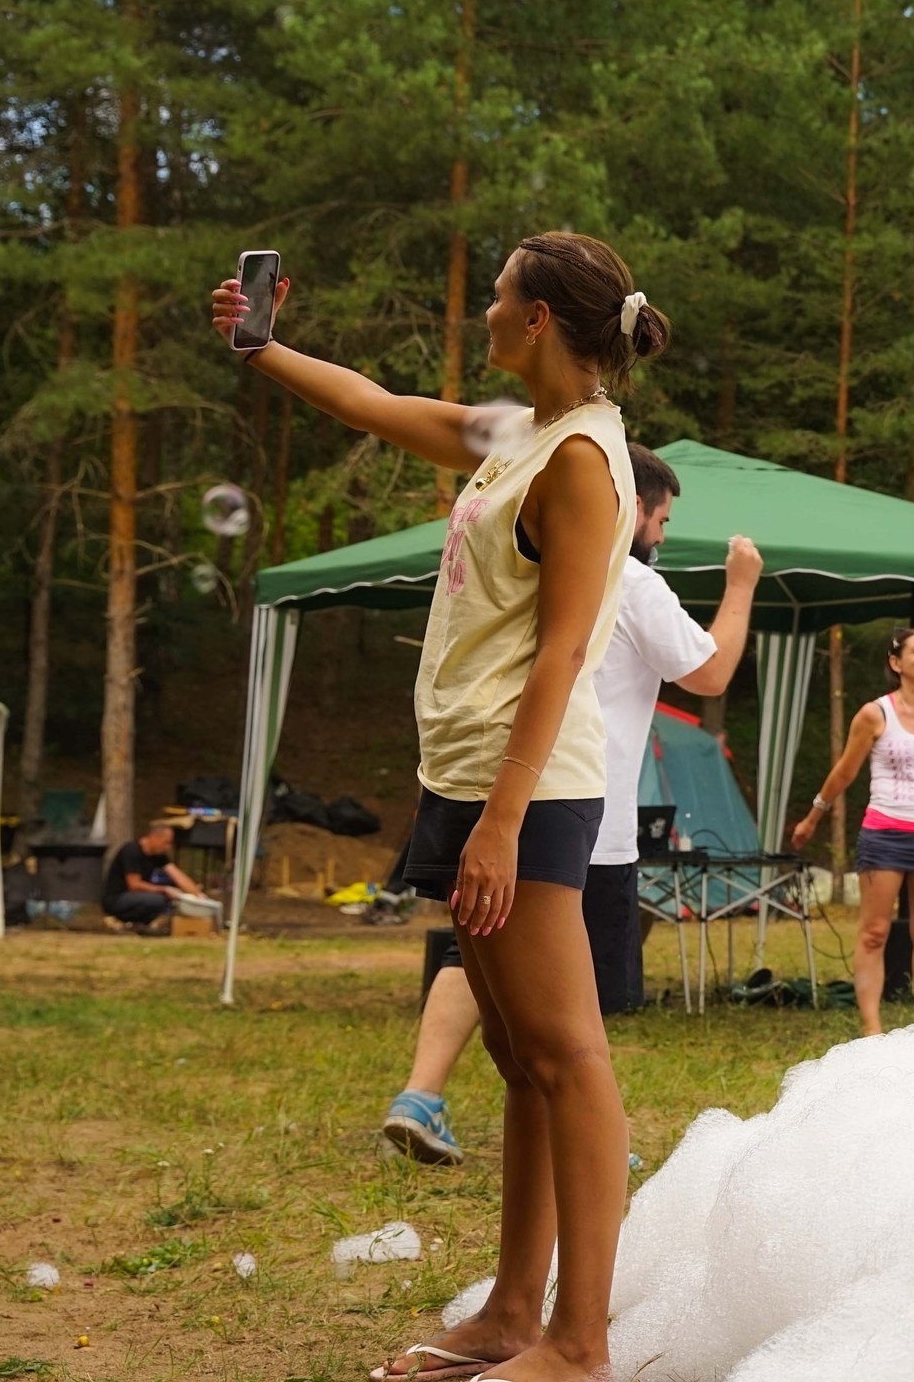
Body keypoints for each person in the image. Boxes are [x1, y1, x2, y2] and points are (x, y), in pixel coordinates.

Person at [214, 229, 656, 1382]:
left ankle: (581, 1343)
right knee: (516, 1057)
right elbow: (374, 403)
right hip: (464, 776)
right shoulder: (518, 431)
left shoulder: (578, 461)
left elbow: (563, 655)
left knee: (568, 1055)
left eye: (501, 297)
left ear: (543, 319)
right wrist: (263, 348)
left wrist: (504, 821)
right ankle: (514, 1314)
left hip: (532, 788)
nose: (487, 313)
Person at [381, 443, 762, 1166]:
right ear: (634, 510)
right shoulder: (631, 580)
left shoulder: (529, 565)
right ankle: (586, 1130)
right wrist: (740, 585)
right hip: (585, 812)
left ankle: (421, 1093)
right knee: (572, 987)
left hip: (498, 791)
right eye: (663, 519)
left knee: (483, 953)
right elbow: (711, 671)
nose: (662, 535)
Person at [790, 630, 914, 1035]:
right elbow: (846, 769)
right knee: (875, 931)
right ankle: (871, 1029)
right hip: (885, 834)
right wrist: (814, 815)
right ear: (896, 663)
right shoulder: (874, 714)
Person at [101, 818, 205, 934]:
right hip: (117, 898)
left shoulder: (158, 855)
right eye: (166, 842)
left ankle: (138, 924)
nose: (168, 847)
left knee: (168, 894)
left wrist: (197, 895)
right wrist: (164, 890)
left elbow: (178, 876)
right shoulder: (132, 851)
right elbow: (134, 885)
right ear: (154, 837)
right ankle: (120, 919)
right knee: (159, 900)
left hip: (136, 896)